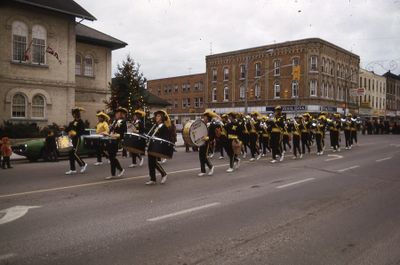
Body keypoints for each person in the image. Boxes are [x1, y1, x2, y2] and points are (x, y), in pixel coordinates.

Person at [146, 110, 170, 185]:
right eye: (156, 116)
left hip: (157, 146)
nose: (157, 117)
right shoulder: (155, 126)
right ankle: (153, 179)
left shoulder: (164, 127)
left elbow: (165, 138)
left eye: (159, 116)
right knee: (150, 162)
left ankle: (164, 174)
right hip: (151, 145)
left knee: (153, 162)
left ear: (162, 118)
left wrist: (156, 138)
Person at [105, 107, 127, 179]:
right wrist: (107, 133)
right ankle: (116, 172)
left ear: (121, 114)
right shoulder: (115, 121)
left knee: (112, 157)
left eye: (118, 113)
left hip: (115, 141)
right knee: (111, 157)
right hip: (111, 140)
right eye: (116, 113)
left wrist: (111, 135)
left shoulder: (123, 122)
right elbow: (111, 130)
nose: (116, 114)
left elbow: (122, 134)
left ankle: (118, 171)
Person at [65, 107, 87, 175]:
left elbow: (82, 131)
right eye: (73, 114)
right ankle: (72, 169)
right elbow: (68, 129)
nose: (73, 115)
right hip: (71, 139)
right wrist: (64, 128)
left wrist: (75, 133)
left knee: (74, 152)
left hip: (77, 139)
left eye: (74, 113)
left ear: (77, 114)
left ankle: (83, 164)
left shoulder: (80, 122)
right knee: (70, 153)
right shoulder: (72, 122)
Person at [198, 111, 216, 176]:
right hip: (202, 142)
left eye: (205, 116)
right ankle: (203, 171)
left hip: (207, 142)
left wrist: (208, 138)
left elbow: (213, 135)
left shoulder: (212, 125)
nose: (204, 117)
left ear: (208, 117)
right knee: (200, 156)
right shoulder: (203, 124)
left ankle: (211, 167)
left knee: (204, 156)